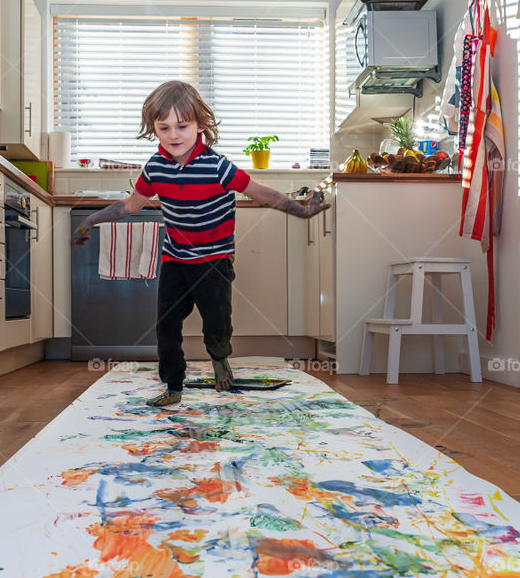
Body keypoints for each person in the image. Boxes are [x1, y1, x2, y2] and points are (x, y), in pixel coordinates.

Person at [72, 79, 329, 408]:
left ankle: (219, 357)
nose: (173, 135)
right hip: (175, 259)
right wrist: (89, 221)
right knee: (167, 323)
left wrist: (302, 210)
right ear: (153, 129)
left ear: (200, 125)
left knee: (217, 322)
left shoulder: (217, 166)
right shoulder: (155, 168)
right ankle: (174, 385)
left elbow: (260, 192)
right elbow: (130, 205)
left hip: (214, 259)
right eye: (164, 127)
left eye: (182, 125)